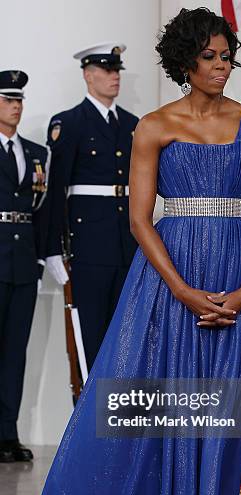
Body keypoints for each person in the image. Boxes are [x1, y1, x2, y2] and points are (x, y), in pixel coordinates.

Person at [22, 8, 241, 495]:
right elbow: (139, 220)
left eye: (227, 56)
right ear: (186, 61)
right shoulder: (154, 126)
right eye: (211, 56)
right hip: (170, 284)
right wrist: (186, 291)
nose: (222, 66)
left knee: (224, 428)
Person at [45, 43, 139, 370]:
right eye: (107, 71)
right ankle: (89, 415)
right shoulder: (69, 123)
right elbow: (56, 190)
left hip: (127, 243)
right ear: (88, 75)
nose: (115, 77)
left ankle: (121, 415)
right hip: (89, 245)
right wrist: (53, 248)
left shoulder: (131, 124)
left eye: (117, 71)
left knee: (126, 336)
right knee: (91, 335)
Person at [0, 70, 48, 462]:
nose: (15, 107)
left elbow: (41, 211)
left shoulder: (36, 153)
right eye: (7, 100)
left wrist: (41, 256)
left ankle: (7, 434)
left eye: (19, 101)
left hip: (22, 263)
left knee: (16, 352)